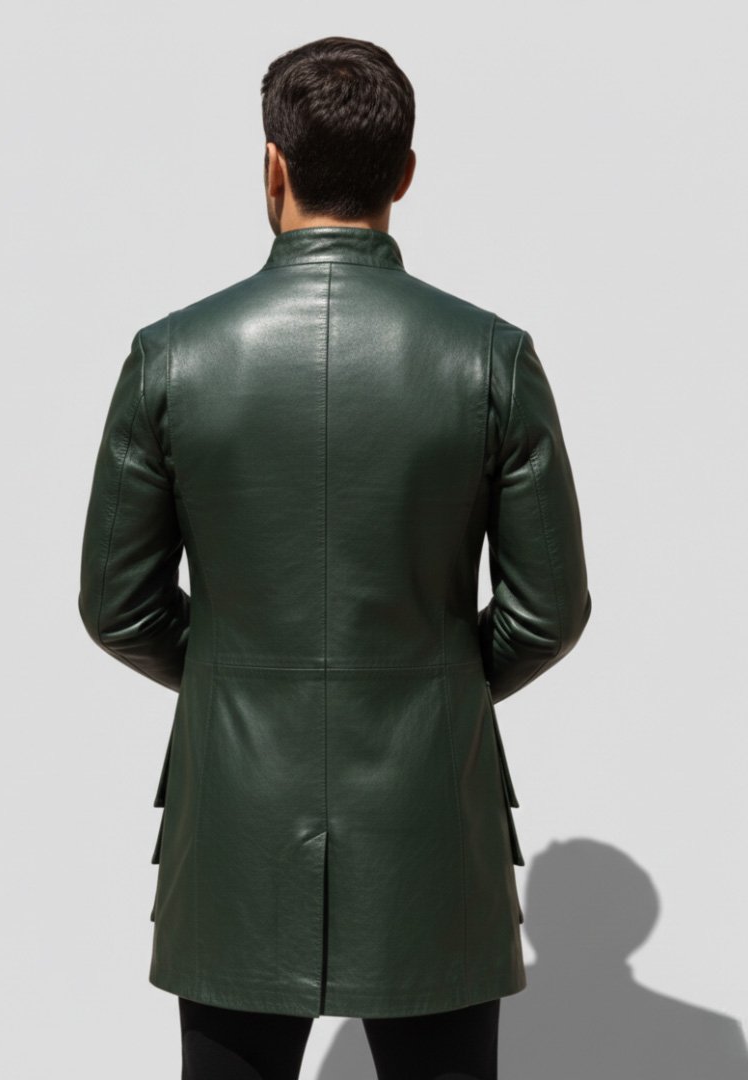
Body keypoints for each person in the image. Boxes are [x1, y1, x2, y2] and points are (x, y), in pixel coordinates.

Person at [78, 34, 591, 1080]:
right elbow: (546, 613)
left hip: (235, 826)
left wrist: (240, 673)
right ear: (406, 174)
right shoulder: (490, 358)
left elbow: (120, 607)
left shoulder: (171, 356)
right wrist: (430, 683)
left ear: (272, 165)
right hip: (430, 825)